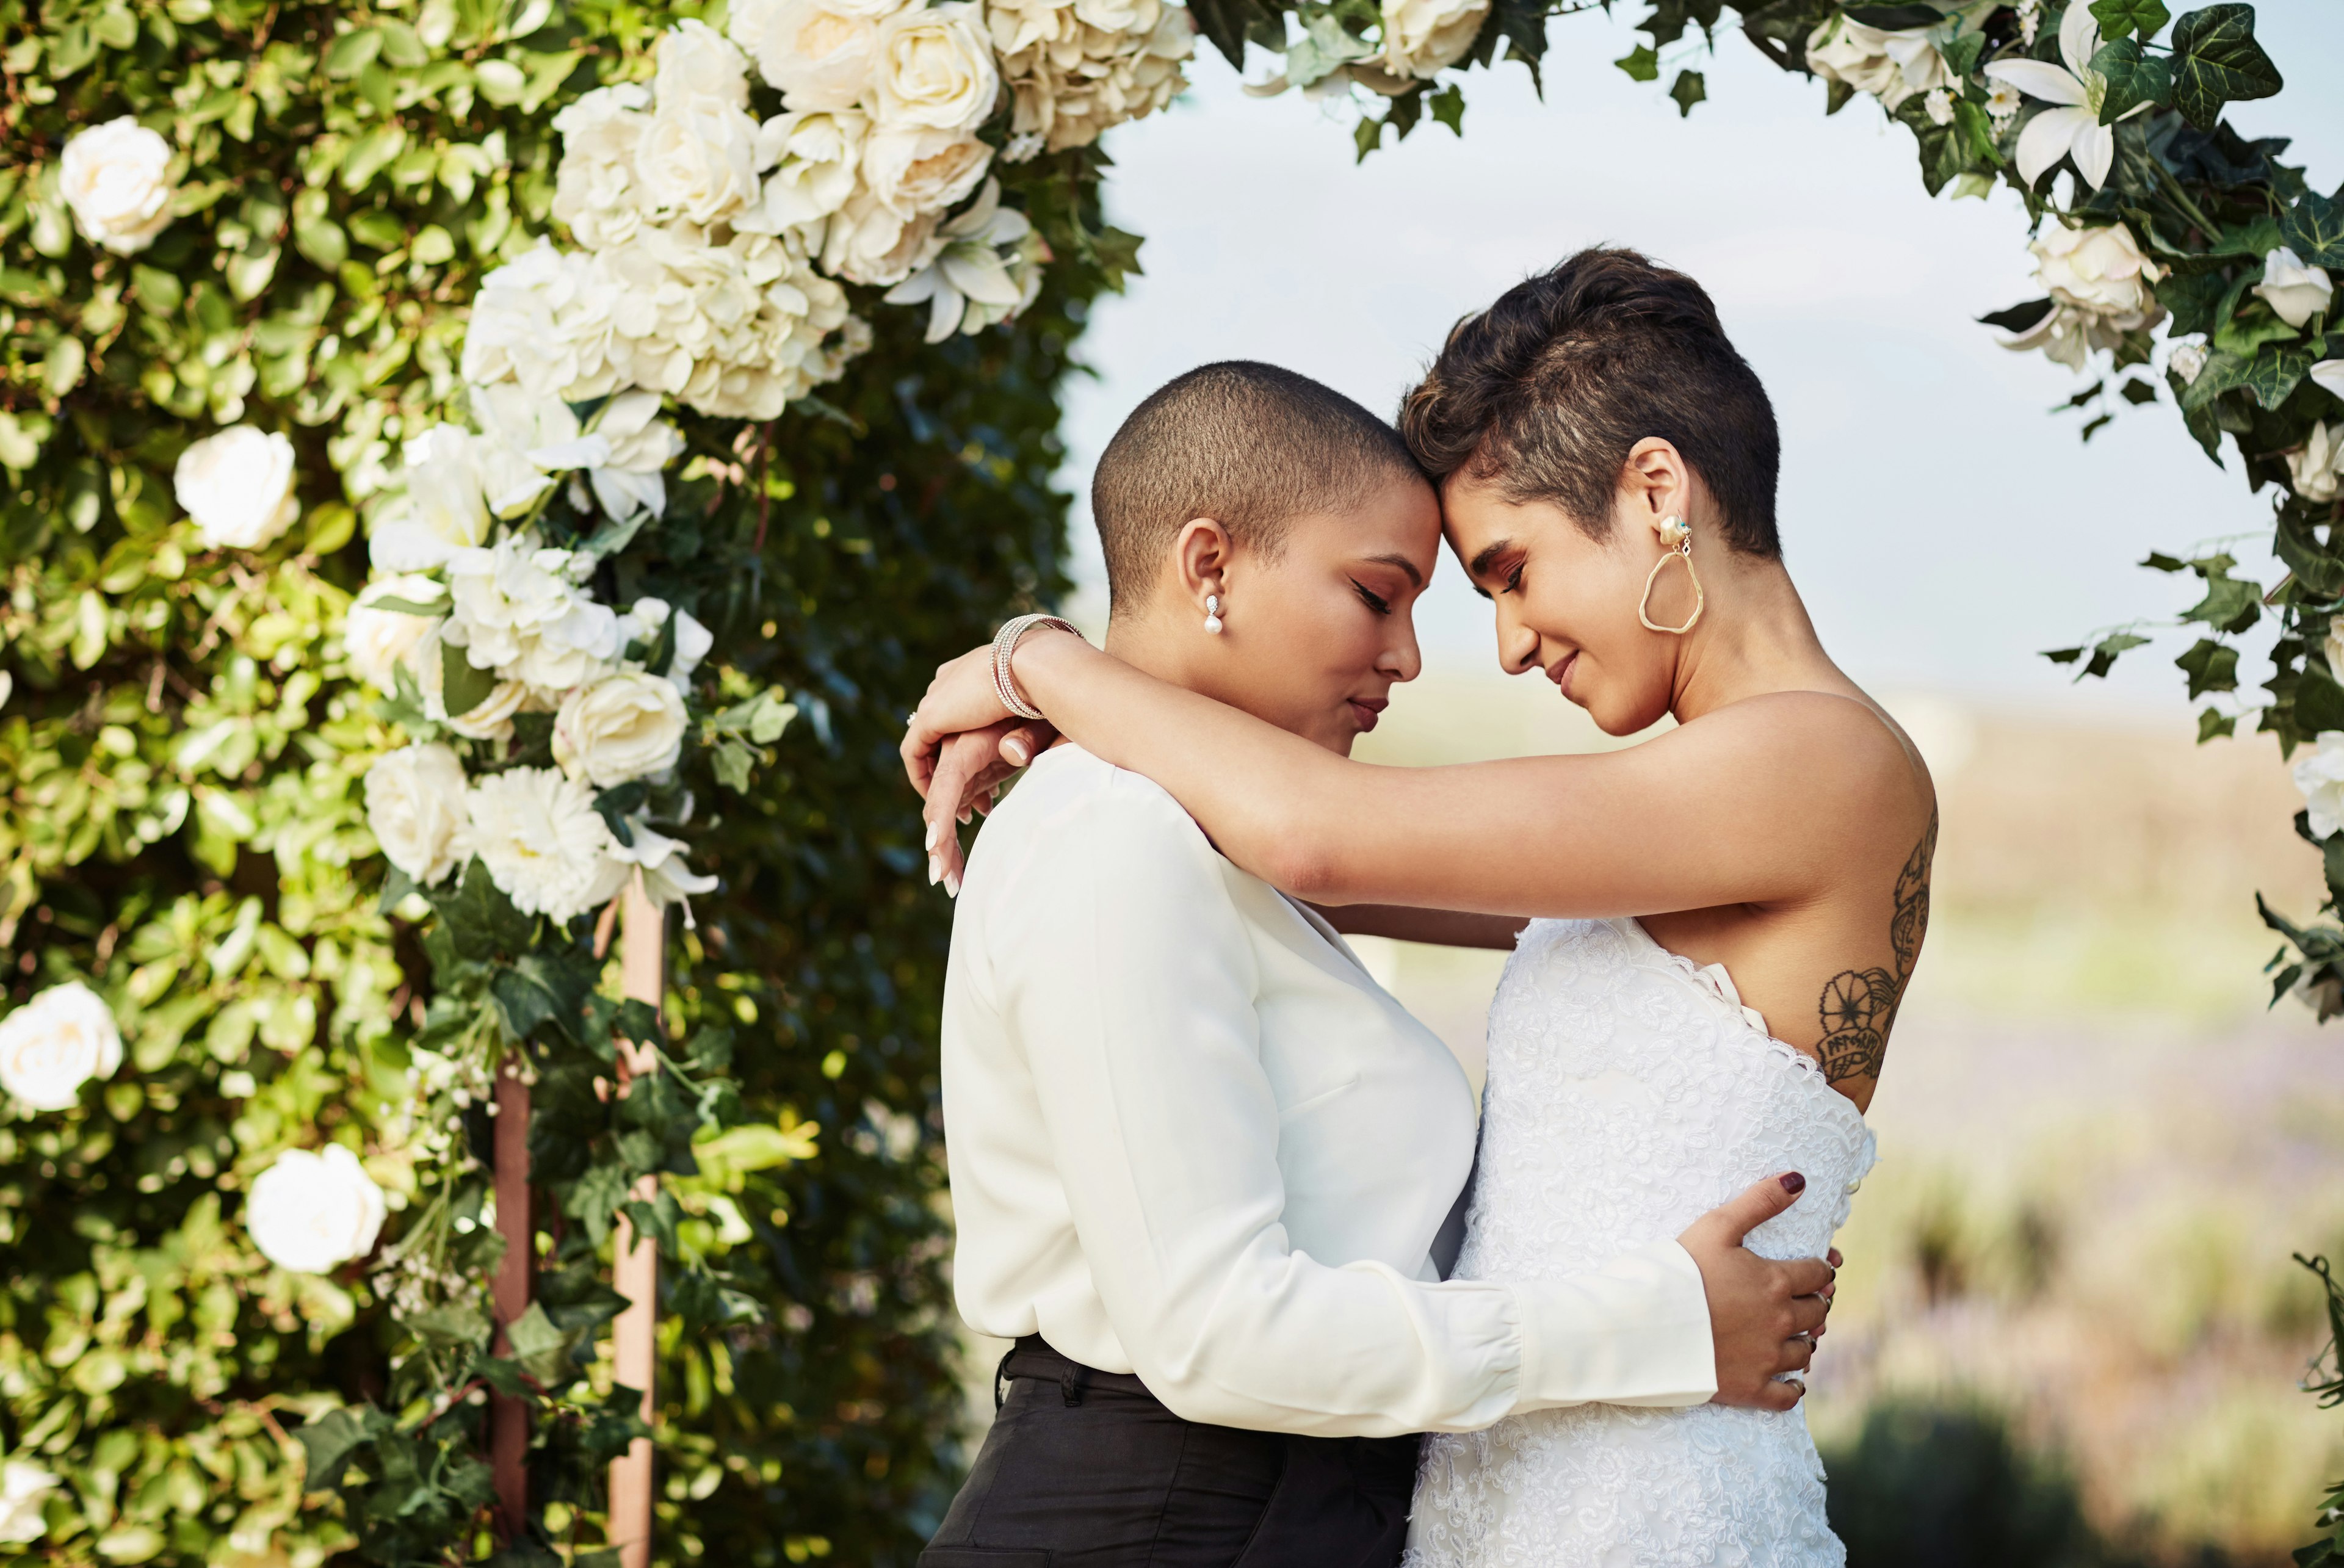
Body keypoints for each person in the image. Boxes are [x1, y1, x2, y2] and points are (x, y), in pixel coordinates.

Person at [906, 250, 1930, 1564]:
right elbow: (1293, 854)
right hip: (1496, 1474)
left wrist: (1037, 660)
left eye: (1508, 571)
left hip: (1642, 1488)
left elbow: (1322, 839)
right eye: (1401, 593)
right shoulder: (1679, 816)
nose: (1499, 643)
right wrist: (1105, 742)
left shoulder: (1818, 763)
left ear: (1658, 491)